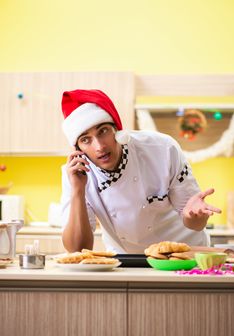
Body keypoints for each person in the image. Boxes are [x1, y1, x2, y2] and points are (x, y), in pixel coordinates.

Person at [60, 89, 221, 254]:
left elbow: (195, 224)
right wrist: (78, 191)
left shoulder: (162, 149)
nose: (99, 146)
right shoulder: (76, 174)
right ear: (78, 149)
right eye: (85, 140)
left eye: (103, 131)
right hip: (129, 261)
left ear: (117, 129)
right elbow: (77, 248)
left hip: (184, 253)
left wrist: (196, 216)